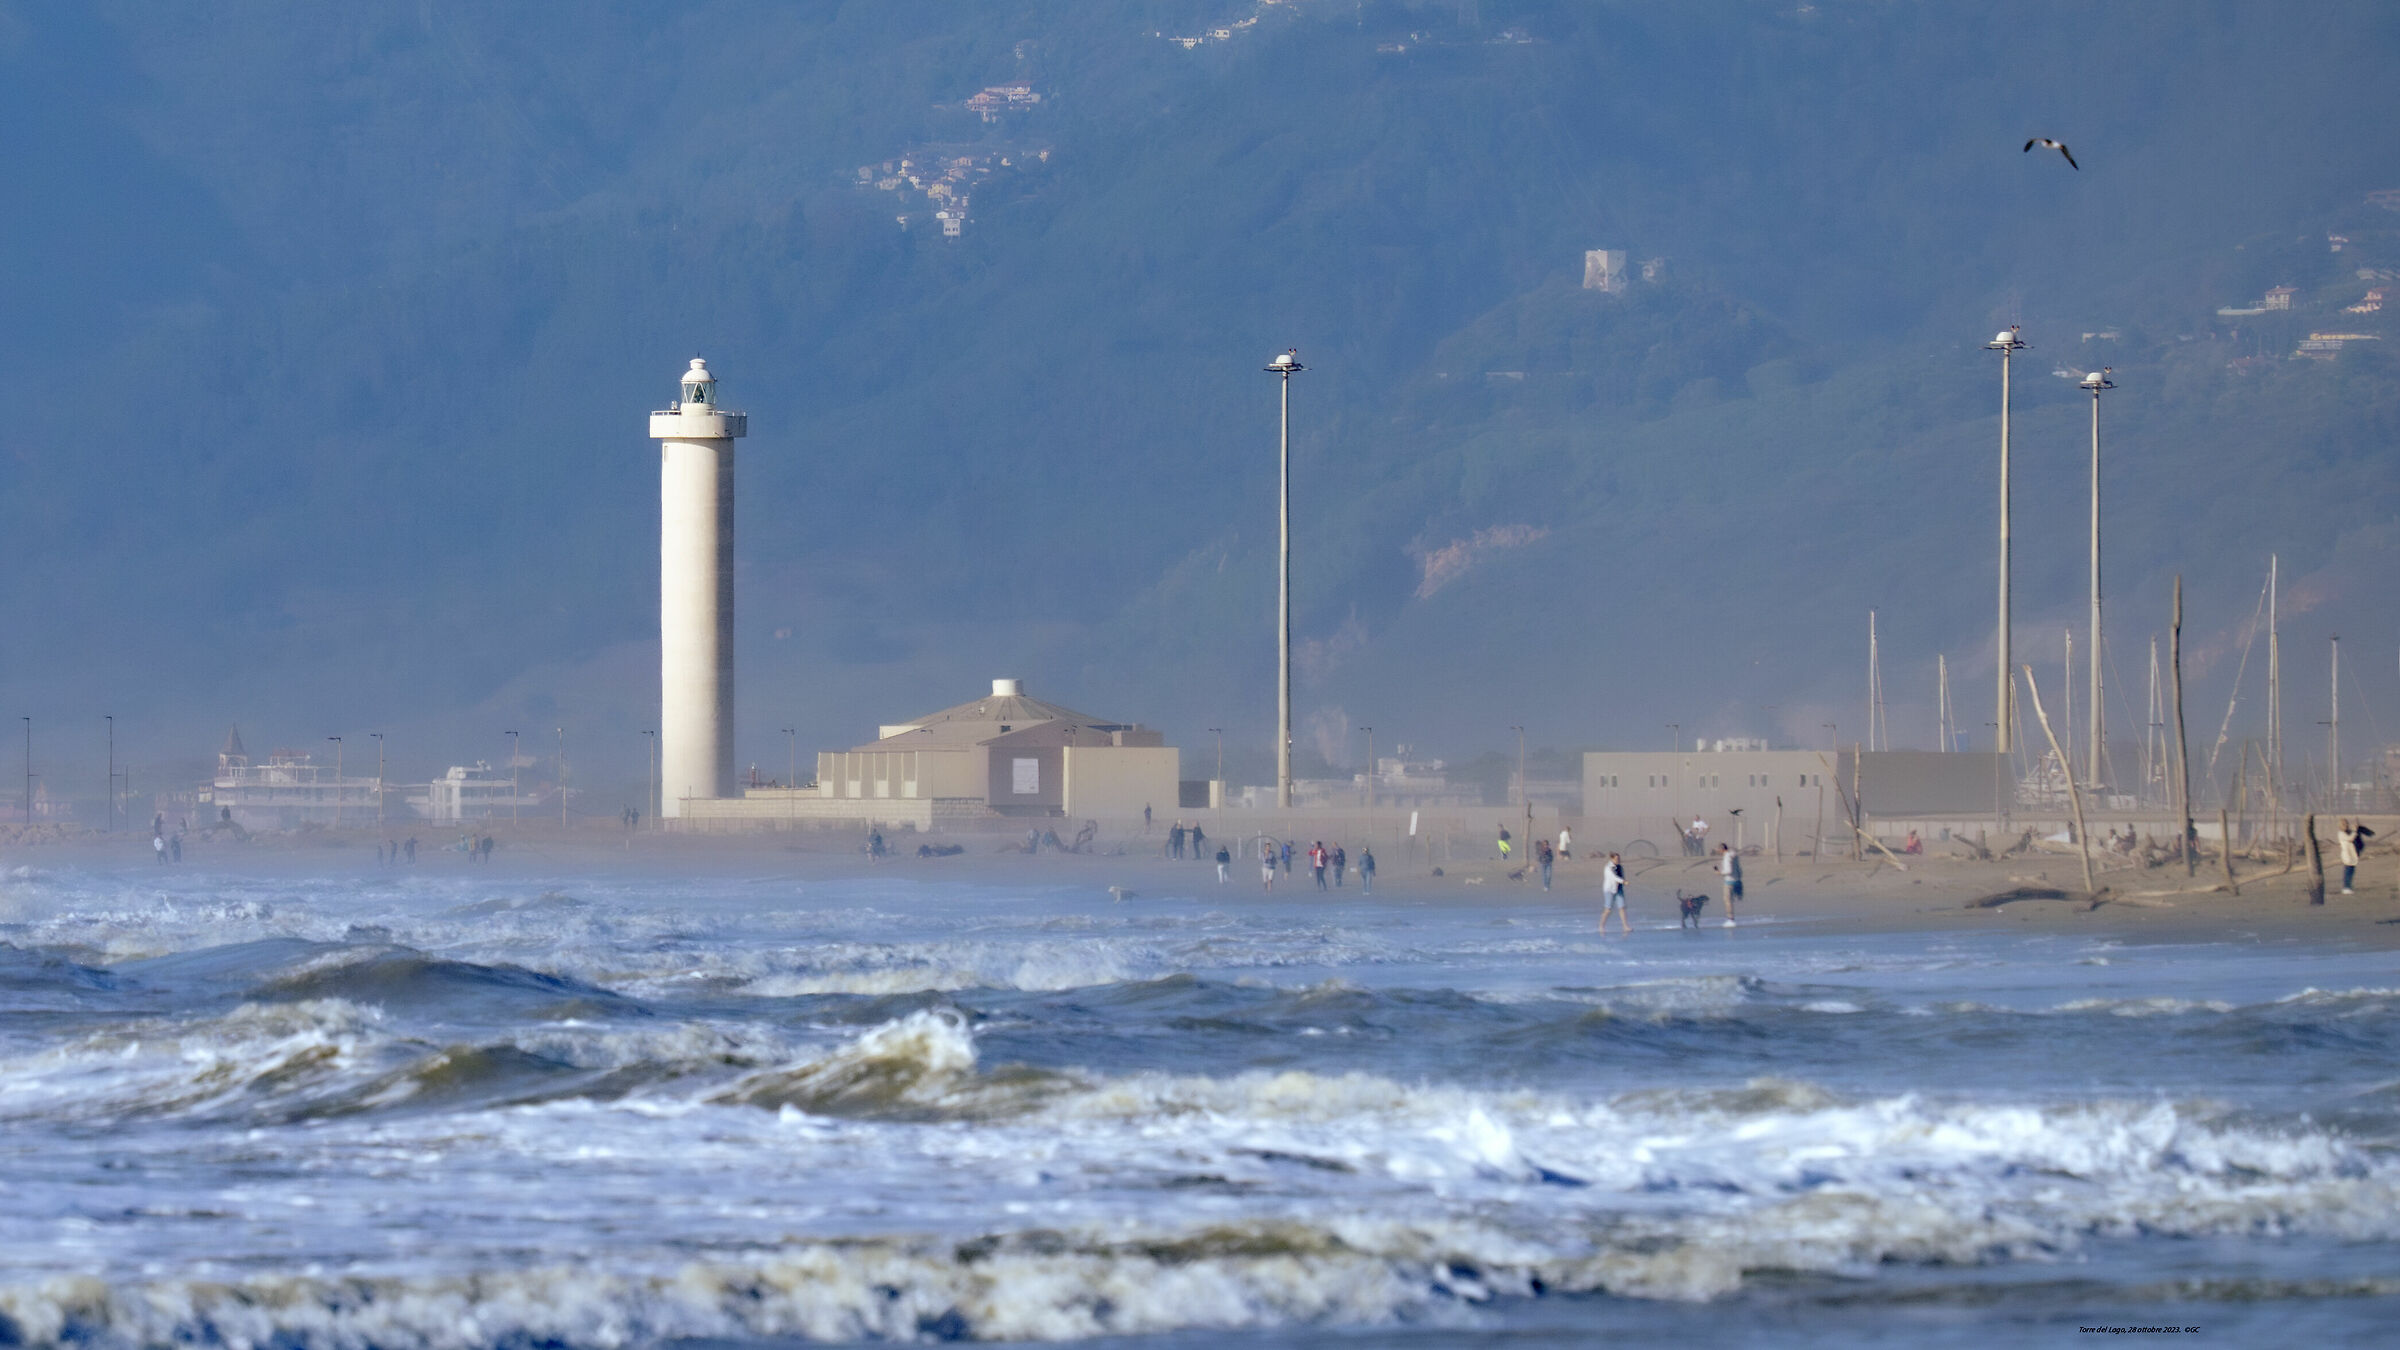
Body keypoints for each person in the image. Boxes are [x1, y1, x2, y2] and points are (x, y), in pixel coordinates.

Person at [2339, 819, 2374, 895]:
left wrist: (2356, 829)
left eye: (2346, 824)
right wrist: (2354, 831)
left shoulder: (2347, 833)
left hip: (2352, 855)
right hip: (2347, 856)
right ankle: (2346, 888)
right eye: (2344, 825)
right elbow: (2350, 839)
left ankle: (2348, 886)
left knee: (2351, 871)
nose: (2346, 826)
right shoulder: (2341, 834)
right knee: (2348, 871)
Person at [1601, 852, 1629, 935]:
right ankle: (1601, 926)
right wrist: (1623, 881)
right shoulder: (1608, 868)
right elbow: (1613, 877)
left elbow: (1621, 876)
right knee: (1608, 909)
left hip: (1619, 889)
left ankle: (1625, 926)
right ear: (1612, 859)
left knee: (1622, 907)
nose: (1618, 860)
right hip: (1609, 890)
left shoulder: (1620, 867)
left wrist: (1623, 881)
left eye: (1619, 859)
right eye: (1616, 859)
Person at [1719, 842, 1742, 927]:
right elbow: (1739, 869)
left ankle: (1730, 919)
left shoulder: (1727, 857)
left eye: (1719, 850)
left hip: (1729, 882)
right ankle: (1731, 918)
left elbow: (1728, 871)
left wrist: (1720, 873)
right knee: (1731, 900)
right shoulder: (1735, 857)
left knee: (1727, 900)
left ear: (1722, 849)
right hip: (1737, 880)